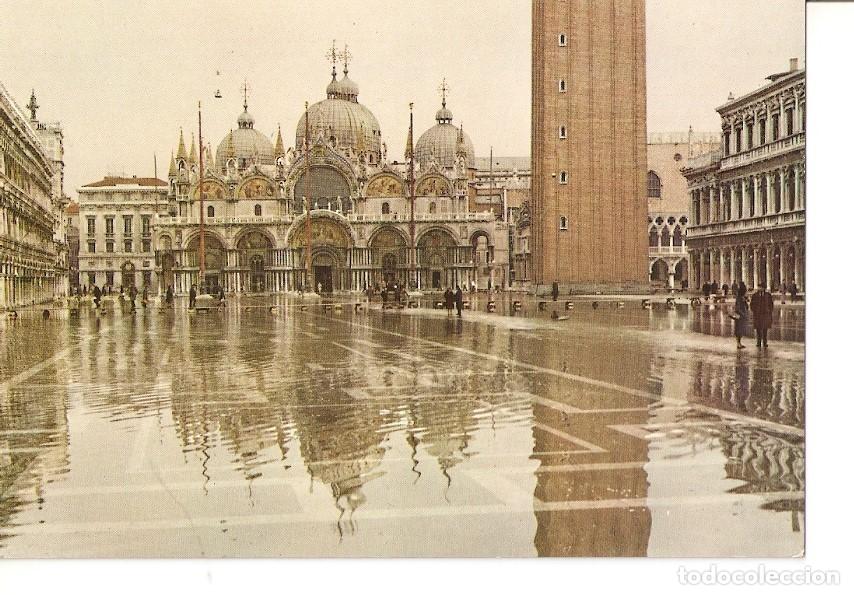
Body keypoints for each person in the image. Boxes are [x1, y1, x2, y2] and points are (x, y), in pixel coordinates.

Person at [731, 285, 750, 349]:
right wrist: (743, 314)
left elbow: (746, 306)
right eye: (745, 291)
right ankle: (738, 344)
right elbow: (738, 308)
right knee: (738, 330)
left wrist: (745, 300)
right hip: (739, 317)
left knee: (741, 330)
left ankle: (739, 343)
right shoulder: (739, 299)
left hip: (741, 316)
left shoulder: (742, 298)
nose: (746, 292)